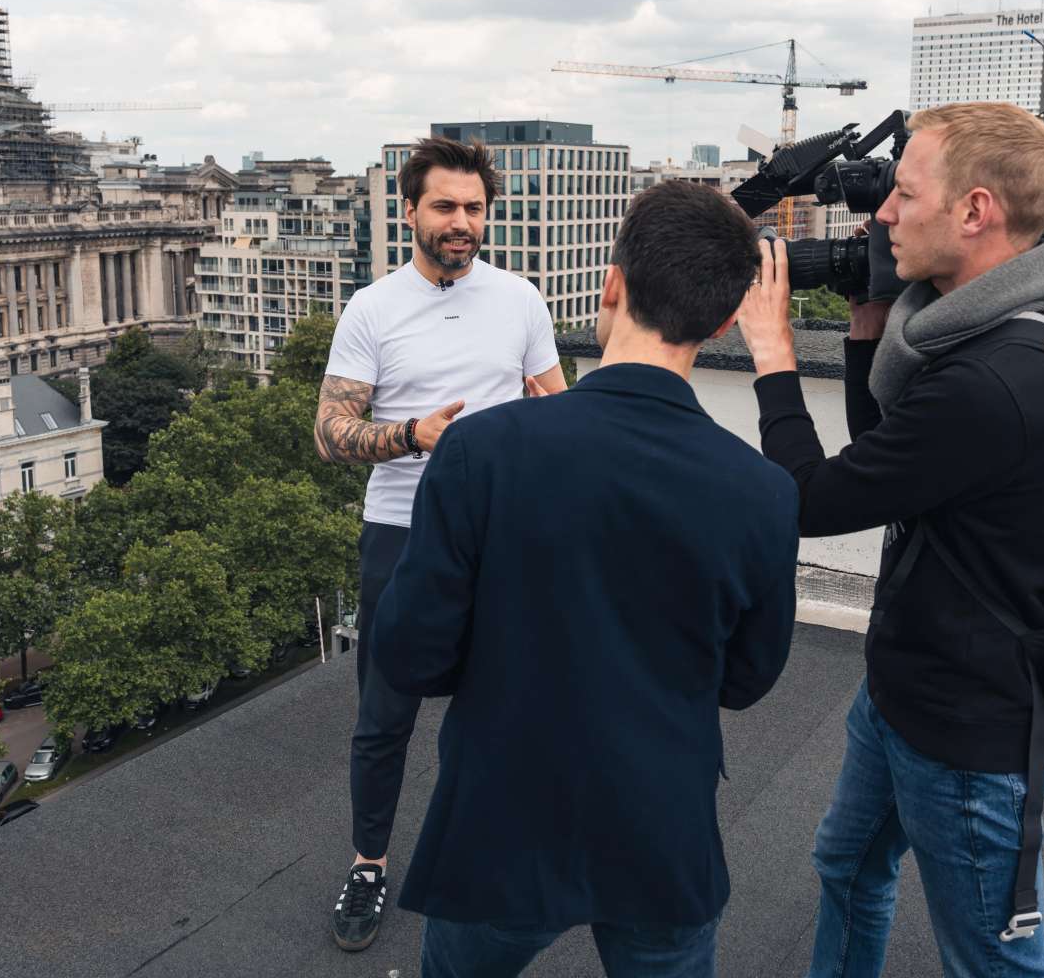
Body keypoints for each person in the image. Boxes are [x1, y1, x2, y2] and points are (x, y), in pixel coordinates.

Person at [372, 180, 800, 978]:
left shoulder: (480, 451)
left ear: (612, 286)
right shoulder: (764, 491)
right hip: (659, 830)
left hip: (499, 819)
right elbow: (746, 680)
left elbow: (409, 657)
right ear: (718, 323)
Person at [736, 102, 1044, 977]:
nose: (882, 214)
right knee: (848, 866)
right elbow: (893, 454)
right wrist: (868, 319)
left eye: (901, 193)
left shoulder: (992, 381)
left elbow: (810, 499)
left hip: (969, 733)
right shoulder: (999, 334)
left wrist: (774, 355)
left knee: (993, 961)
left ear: (974, 211)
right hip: (906, 689)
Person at [316, 135, 566, 953]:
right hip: (400, 531)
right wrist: (413, 437)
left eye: (473, 209)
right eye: (445, 207)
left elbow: (554, 411)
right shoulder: (372, 307)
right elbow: (330, 432)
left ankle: (490, 852)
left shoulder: (521, 299)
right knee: (383, 717)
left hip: (500, 533)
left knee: (501, 708)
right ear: (411, 210)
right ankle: (368, 863)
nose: (461, 222)